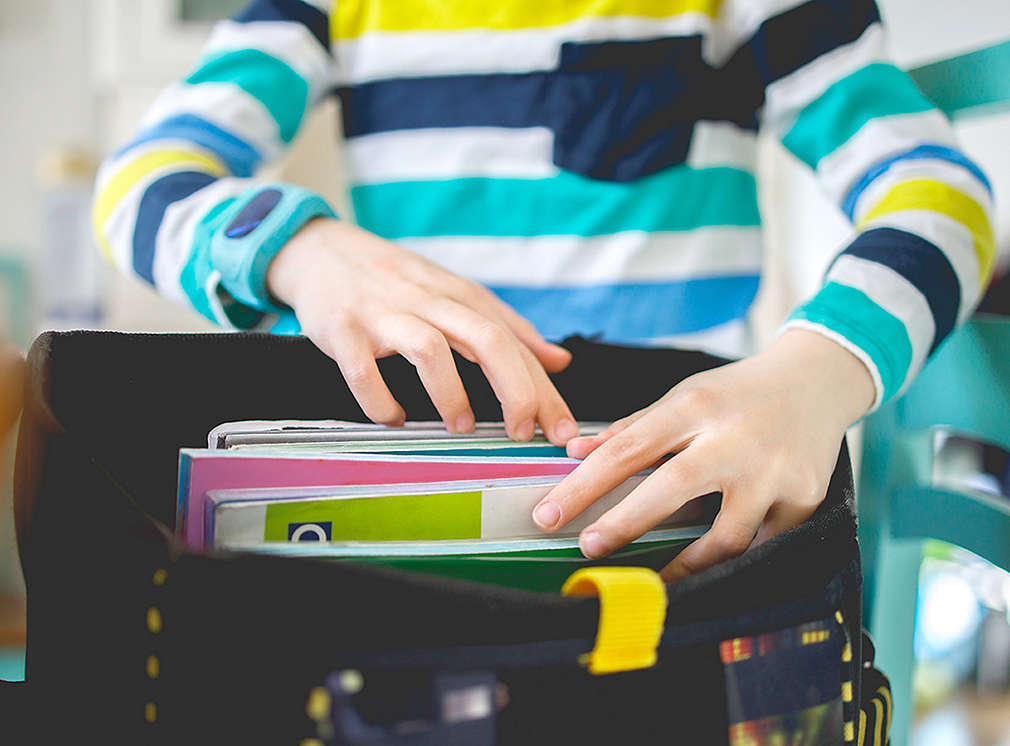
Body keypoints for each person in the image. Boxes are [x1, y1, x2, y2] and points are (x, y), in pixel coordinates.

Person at [93, 0, 994, 580]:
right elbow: (138, 183)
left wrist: (819, 373)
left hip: (688, 527)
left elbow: (943, 196)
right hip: (414, 542)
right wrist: (300, 250)